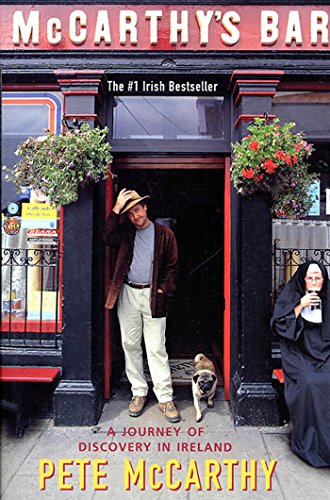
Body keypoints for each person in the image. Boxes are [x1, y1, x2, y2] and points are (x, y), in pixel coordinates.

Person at [103, 188, 180, 423]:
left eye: (137, 210)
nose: (135, 216)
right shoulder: (125, 234)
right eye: (130, 213)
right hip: (128, 292)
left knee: (156, 346)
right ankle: (138, 392)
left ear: (145, 208)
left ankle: (165, 398)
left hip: (152, 295)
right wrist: (116, 208)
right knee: (130, 344)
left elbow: (173, 268)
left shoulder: (165, 235)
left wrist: (161, 290)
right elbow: (106, 237)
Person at [271, 260, 330, 467]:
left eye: (318, 278)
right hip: (298, 356)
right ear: (303, 280)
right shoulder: (293, 296)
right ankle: (311, 443)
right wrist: (300, 306)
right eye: (310, 278)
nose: (314, 282)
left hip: (325, 355)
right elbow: (279, 325)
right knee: (311, 384)